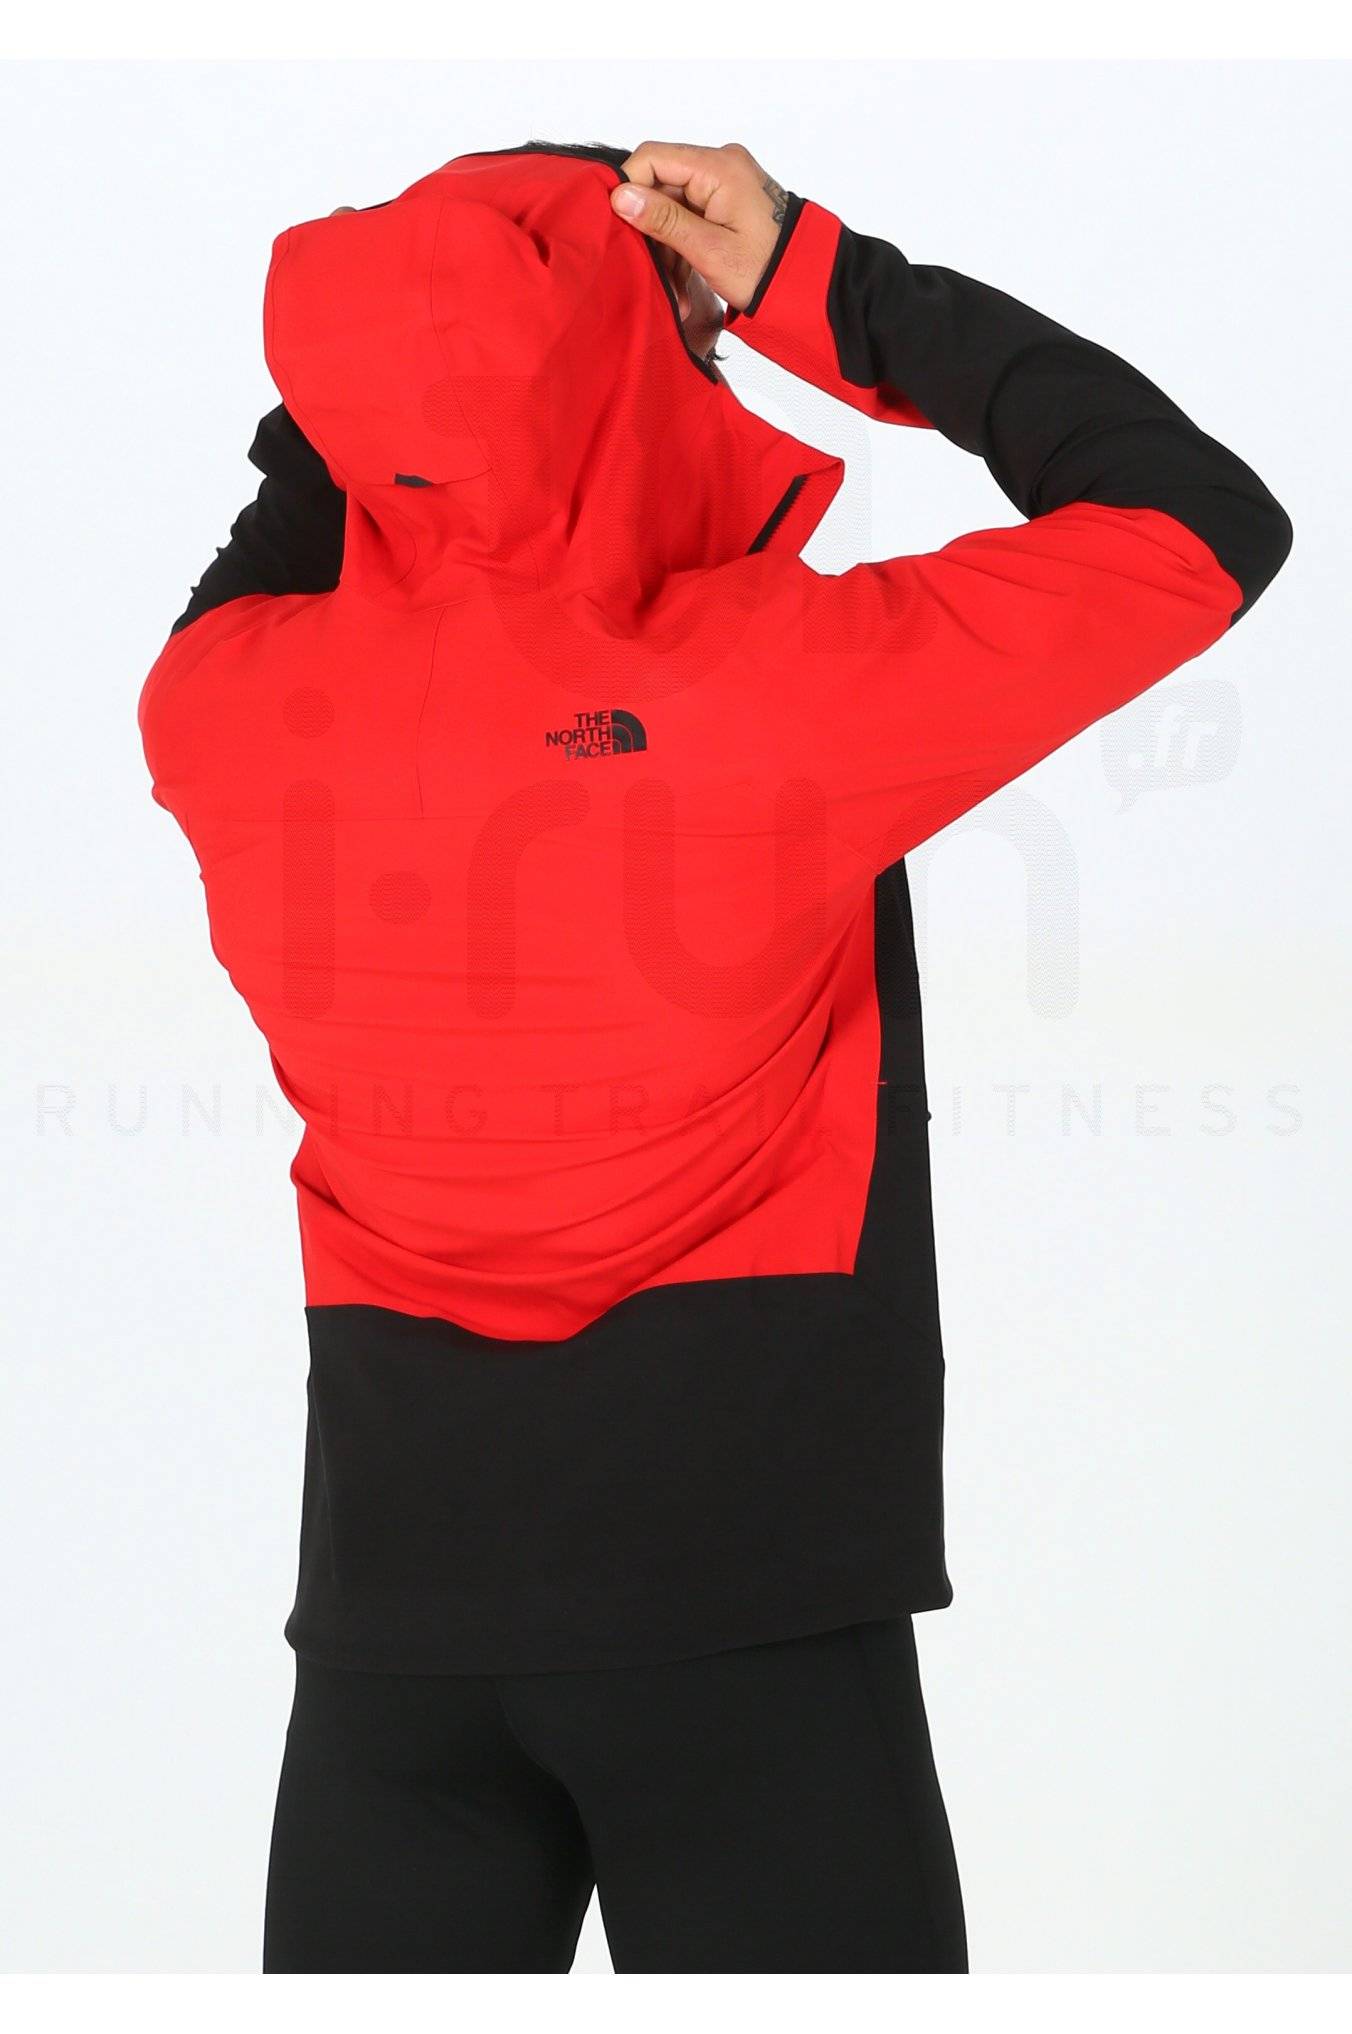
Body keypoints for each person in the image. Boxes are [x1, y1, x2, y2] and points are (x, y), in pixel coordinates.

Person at [138, 137, 1291, 1974]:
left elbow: (311, 504)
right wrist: (815, 280)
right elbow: (1199, 520)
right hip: (754, 1638)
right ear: (626, 381)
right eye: (685, 342)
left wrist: (411, 349)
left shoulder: (218, 707)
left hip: (388, 1667)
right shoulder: (778, 682)